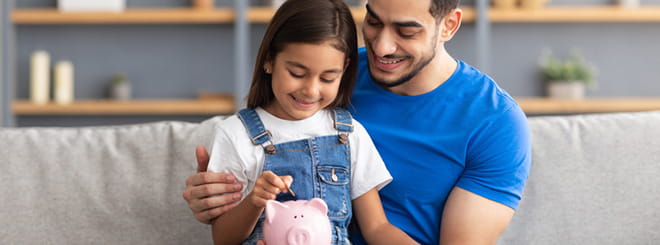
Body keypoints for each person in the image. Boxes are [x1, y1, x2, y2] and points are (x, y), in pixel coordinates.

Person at [183, 0, 532, 244]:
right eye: (374, 21)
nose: (380, 47)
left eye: (406, 31)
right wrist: (217, 200)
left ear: (449, 25)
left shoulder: (496, 122)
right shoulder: (333, 68)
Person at [204, 0, 418, 244]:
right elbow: (223, 239)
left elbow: (377, 227)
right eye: (297, 73)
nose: (310, 90)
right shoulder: (235, 135)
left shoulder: (349, 134)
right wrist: (255, 201)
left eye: (328, 78)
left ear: (344, 70)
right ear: (269, 60)